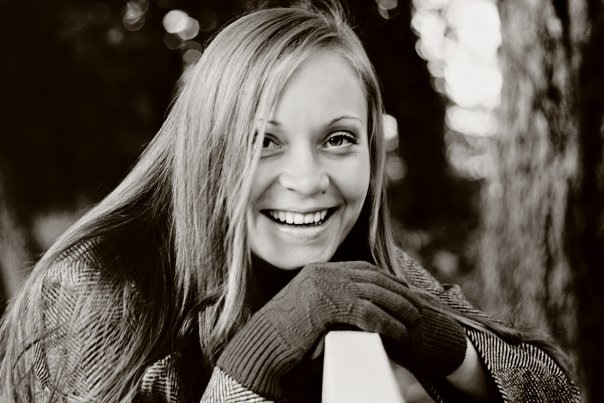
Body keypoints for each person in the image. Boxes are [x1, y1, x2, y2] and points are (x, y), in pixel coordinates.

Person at [0, 3, 579, 402]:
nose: (307, 180)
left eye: (339, 139)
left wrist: (451, 349)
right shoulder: (103, 286)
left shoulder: (362, 262)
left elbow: (558, 393)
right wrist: (255, 361)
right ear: (209, 149)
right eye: (264, 142)